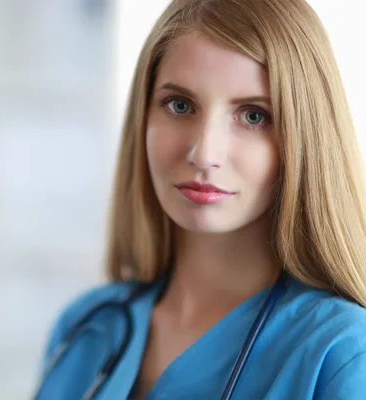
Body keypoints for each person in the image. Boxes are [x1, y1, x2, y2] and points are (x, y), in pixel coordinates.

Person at [34, 0, 366, 398]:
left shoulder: (342, 352)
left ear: (304, 137)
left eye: (254, 116)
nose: (204, 153)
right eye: (180, 105)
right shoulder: (84, 327)